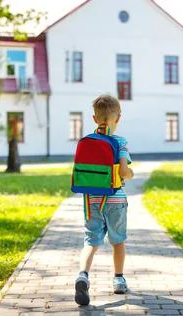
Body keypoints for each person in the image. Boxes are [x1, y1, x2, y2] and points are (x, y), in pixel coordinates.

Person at [74, 94, 134, 306]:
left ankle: (83, 275)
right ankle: (118, 279)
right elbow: (124, 171)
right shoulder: (120, 142)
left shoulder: (87, 141)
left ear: (94, 118)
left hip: (91, 201)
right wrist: (130, 173)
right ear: (118, 118)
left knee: (91, 241)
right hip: (115, 201)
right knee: (118, 241)